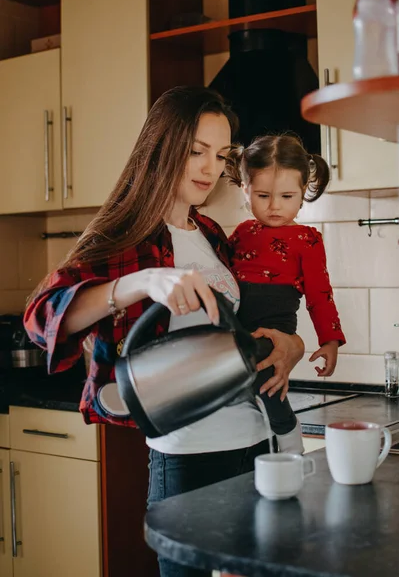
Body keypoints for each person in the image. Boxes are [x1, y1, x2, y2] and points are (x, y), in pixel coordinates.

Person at [23, 87, 304, 577]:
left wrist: (291, 344)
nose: (209, 167)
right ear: (162, 146)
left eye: (221, 155)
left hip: (258, 445)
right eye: (196, 151)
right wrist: (138, 283)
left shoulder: (213, 235)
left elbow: (244, 327)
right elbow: (42, 317)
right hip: (188, 458)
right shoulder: (125, 236)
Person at [229, 134, 346, 455]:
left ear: (304, 192)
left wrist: (330, 341)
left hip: (276, 326)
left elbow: (320, 294)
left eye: (286, 195)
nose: (274, 205)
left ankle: (290, 438)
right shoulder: (240, 233)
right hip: (239, 324)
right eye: (263, 195)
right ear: (245, 190)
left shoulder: (307, 240)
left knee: (268, 382)